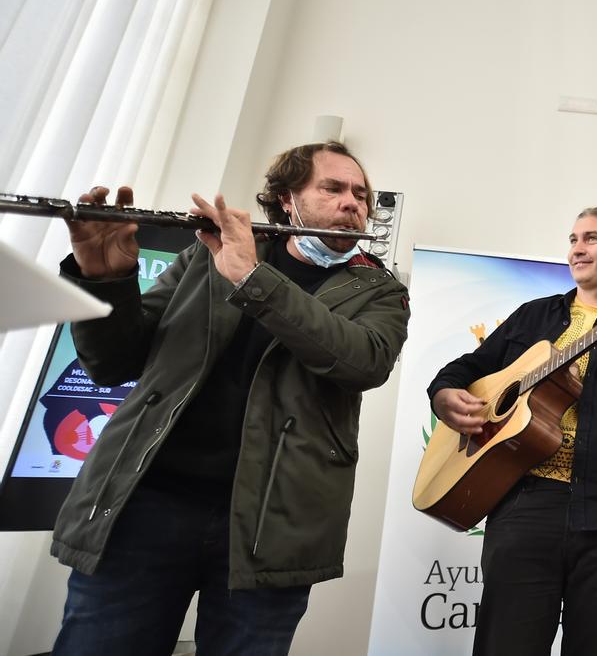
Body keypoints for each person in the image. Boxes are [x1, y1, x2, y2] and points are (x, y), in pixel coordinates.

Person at [50, 141, 411, 656]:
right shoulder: (206, 254)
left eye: (360, 193)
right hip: (145, 507)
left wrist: (252, 277)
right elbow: (113, 364)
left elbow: (362, 362)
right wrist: (105, 280)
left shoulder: (378, 290)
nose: (352, 202)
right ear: (287, 199)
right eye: (332, 188)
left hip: (273, 527)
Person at [427, 207, 597, 656]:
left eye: (591, 238)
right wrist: (444, 396)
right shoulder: (533, 316)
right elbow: (467, 368)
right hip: (524, 505)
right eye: (573, 239)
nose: (577, 248)